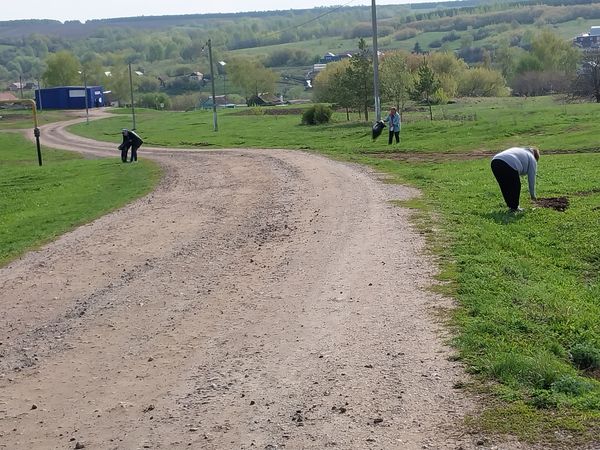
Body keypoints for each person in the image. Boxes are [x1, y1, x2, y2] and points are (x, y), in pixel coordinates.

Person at [491, 146, 540, 212]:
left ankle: (511, 206)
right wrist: (532, 195)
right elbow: (531, 179)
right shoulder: (532, 158)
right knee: (516, 186)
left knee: (504, 186)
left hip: (495, 161)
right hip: (510, 163)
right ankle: (515, 207)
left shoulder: (521, 151)